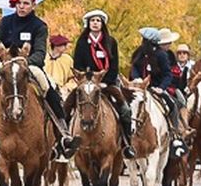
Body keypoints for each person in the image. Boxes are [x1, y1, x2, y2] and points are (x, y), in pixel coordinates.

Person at [0, 0, 78, 158]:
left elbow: (40, 52)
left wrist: (25, 62)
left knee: (48, 87)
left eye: (26, 3)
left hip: (29, 65)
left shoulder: (39, 25)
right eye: (19, 4)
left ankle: (62, 132)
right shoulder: (5, 22)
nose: (22, 7)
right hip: (5, 65)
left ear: (33, 5)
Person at [69, 9, 135, 158]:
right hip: (86, 83)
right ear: (88, 23)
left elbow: (114, 65)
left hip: (107, 82)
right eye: (93, 20)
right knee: (67, 105)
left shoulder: (111, 42)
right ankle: (65, 141)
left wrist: (106, 82)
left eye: (98, 20)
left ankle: (126, 143)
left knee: (125, 109)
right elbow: (77, 64)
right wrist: (86, 79)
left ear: (102, 23)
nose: (95, 23)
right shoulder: (81, 42)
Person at [130, 26, 187, 155]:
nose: (143, 42)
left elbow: (168, 74)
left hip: (156, 88)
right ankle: (126, 135)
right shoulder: (139, 53)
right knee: (129, 105)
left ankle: (175, 134)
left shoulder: (161, 55)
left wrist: (161, 88)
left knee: (172, 105)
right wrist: (137, 79)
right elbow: (134, 68)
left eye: (145, 40)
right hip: (139, 87)